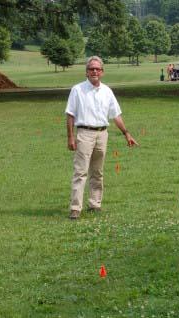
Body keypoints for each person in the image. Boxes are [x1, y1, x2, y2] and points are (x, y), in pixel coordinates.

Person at [65, 56, 139, 220]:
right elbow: (70, 115)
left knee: (97, 172)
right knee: (81, 172)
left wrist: (126, 133)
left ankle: (95, 204)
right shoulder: (77, 90)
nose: (94, 71)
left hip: (102, 134)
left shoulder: (107, 91)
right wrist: (70, 137)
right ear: (86, 72)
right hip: (84, 133)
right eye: (91, 69)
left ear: (102, 72)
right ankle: (75, 208)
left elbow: (116, 115)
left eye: (97, 69)